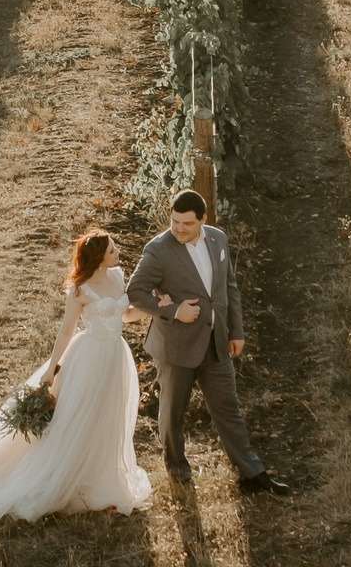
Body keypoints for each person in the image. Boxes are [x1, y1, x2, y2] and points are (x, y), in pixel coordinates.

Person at [0, 228, 155, 520]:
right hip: (90, 357)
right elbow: (67, 330)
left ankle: (98, 472)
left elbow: (125, 315)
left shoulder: (117, 277)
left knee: (107, 414)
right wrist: (52, 369)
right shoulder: (80, 290)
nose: (117, 252)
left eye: (115, 247)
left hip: (116, 356)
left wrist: (154, 309)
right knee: (78, 416)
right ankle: (64, 475)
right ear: (98, 258)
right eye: (111, 250)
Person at [126, 189, 293, 495]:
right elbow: (135, 291)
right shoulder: (158, 250)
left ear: (203, 219)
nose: (178, 229)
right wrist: (175, 310)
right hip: (176, 348)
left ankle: (251, 473)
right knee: (172, 415)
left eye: (187, 223)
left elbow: (228, 287)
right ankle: (179, 474)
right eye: (175, 221)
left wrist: (236, 331)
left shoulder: (218, 239)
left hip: (216, 343)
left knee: (229, 410)